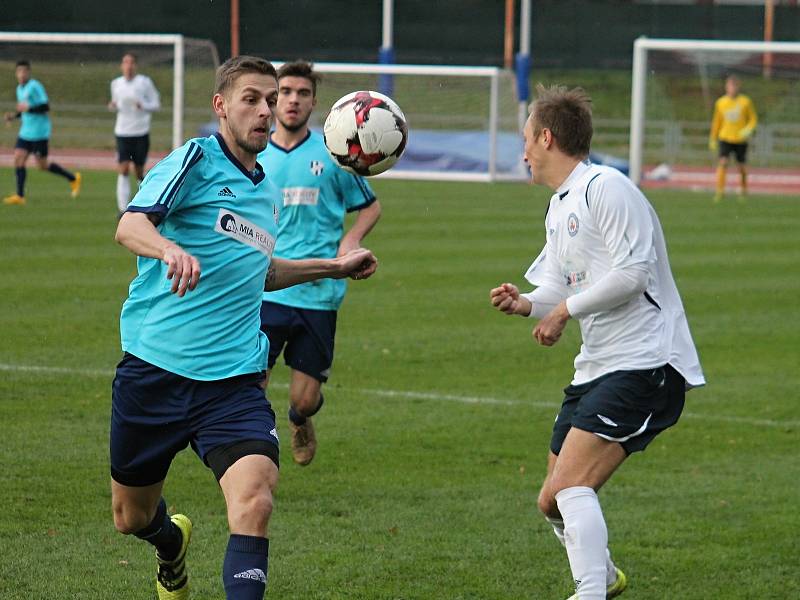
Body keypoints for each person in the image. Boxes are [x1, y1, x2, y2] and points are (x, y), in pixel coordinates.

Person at [110, 55, 377, 600]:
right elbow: (129, 223)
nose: (266, 109)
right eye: (251, 99)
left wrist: (333, 264)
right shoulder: (195, 159)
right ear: (221, 107)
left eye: (271, 98)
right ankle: (170, 545)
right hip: (154, 370)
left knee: (254, 501)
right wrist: (169, 250)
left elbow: (264, 272)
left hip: (233, 380)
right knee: (131, 518)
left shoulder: (265, 192)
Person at [490, 84, 704, 600]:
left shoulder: (606, 187)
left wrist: (565, 310)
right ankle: (606, 578)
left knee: (569, 488)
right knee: (551, 500)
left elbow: (633, 273)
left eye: (526, 140)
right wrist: (526, 302)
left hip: (647, 360)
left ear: (546, 137)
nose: (522, 153)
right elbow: (559, 288)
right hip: (598, 365)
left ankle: (589, 593)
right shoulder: (558, 205)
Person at [257, 60, 381, 466]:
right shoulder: (254, 157)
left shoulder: (335, 154)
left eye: (302, 93)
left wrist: (351, 238)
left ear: (315, 102)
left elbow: (370, 206)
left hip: (319, 291)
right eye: (286, 92)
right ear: (274, 100)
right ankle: (252, 452)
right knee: (249, 383)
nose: (293, 101)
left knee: (304, 399)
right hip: (267, 286)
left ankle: (298, 419)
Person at [3, 60, 81, 206]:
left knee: (42, 165)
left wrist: (29, 109)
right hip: (25, 131)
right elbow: (24, 110)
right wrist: (13, 116)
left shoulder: (35, 86)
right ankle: (20, 196)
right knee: (18, 158)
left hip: (39, 132)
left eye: (24, 71)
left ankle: (72, 178)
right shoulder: (19, 88)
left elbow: (45, 107)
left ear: (28, 72)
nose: (21, 74)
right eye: (19, 72)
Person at [108, 52, 160, 215]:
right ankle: (122, 209)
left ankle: (142, 204)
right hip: (123, 132)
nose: (128, 66)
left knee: (139, 171)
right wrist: (113, 106)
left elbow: (156, 104)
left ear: (135, 66)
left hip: (140, 132)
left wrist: (143, 105)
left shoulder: (144, 83)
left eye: (131, 62)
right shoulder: (116, 84)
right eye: (125, 62)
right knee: (123, 168)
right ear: (121, 66)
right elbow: (116, 105)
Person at [708, 75, 757, 203]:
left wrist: (748, 129)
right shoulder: (721, 103)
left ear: (738, 87)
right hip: (725, 137)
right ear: (726, 87)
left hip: (740, 139)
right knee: (723, 162)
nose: (732, 88)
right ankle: (720, 191)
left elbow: (753, 119)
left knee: (742, 167)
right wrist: (713, 138)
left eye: (735, 86)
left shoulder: (745, 101)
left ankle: (743, 190)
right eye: (730, 86)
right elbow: (716, 122)